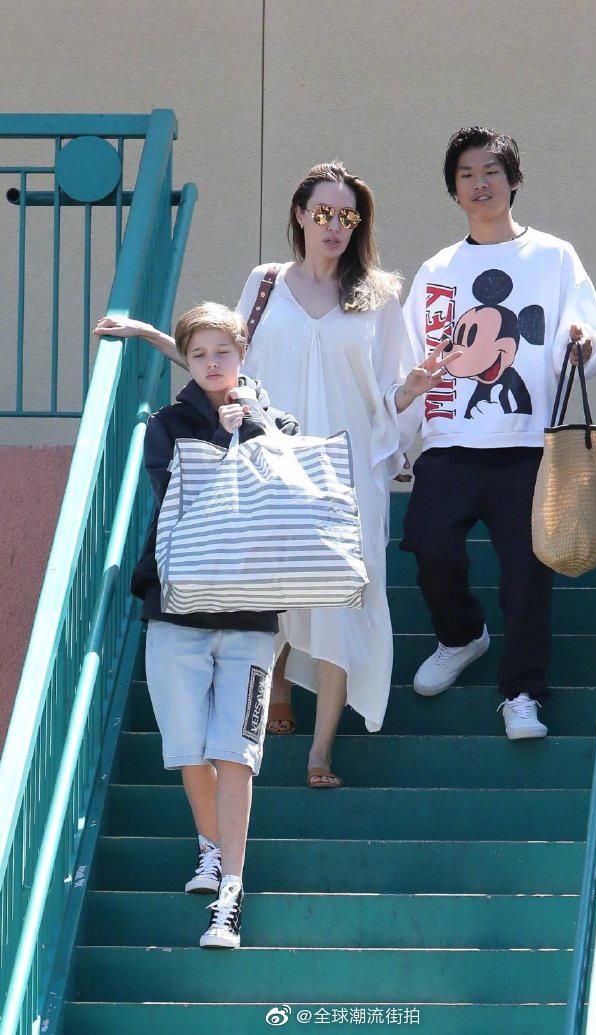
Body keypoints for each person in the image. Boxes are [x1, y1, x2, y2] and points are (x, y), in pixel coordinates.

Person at [96, 162, 447, 787]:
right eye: (323, 212)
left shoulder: (379, 295)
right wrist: (150, 334)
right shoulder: (265, 283)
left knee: (344, 597)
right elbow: (221, 360)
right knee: (272, 582)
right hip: (271, 461)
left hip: (346, 471)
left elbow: (390, 394)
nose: (335, 226)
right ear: (300, 215)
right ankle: (277, 686)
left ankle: (322, 749)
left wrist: (411, 390)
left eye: (348, 215)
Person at [401, 126, 596, 740]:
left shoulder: (554, 256)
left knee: (526, 575)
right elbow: (414, 359)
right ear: (454, 189)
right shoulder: (438, 268)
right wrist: (402, 435)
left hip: (528, 446)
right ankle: (462, 636)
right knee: (428, 545)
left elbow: (589, 335)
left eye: (491, 172)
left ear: (514, 181)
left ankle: (522, 694)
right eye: (466, 175)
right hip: (449, 442)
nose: (480, 184)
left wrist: (583, 347)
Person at [132, 301, 298, 948]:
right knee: (188, 746)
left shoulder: (275, 422)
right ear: (187, 359)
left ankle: (231, 890)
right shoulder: (167, 425)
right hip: (178, 608)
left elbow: (294, 492)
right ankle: (210, 844)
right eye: (198, 354)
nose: (211, 363)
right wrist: (221, 444)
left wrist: (252, 430)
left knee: (237, 752)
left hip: (252, 613)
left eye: (221, 352)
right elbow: (180, 500)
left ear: (242, 353)